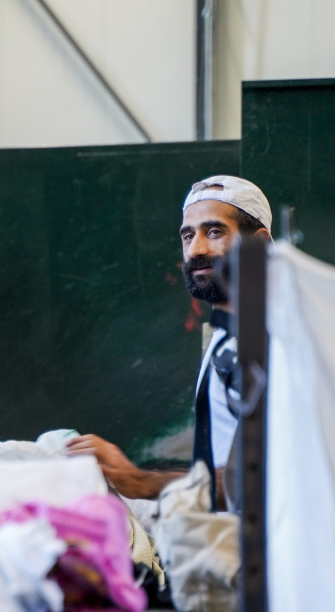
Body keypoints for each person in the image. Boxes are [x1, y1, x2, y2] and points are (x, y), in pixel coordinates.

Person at [66, 175, 273, 505]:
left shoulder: (271, 337)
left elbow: (265, 476)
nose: (196, 249)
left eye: (215, 231)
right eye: (188, 236)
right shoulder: (228, 332)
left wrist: (141, 481)